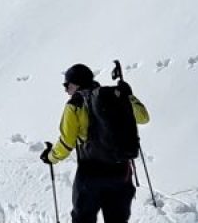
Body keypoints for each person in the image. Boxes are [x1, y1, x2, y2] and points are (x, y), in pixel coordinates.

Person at [40, 63, 150, 222]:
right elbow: (143, 117)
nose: (66, 89)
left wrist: (51, 157)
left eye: (67, 85)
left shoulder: (75, 105)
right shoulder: (115, 97)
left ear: (76, 84)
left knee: (83, 219)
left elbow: (66, 143)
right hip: (121, 172)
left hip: (90, 173)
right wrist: (129, 96)